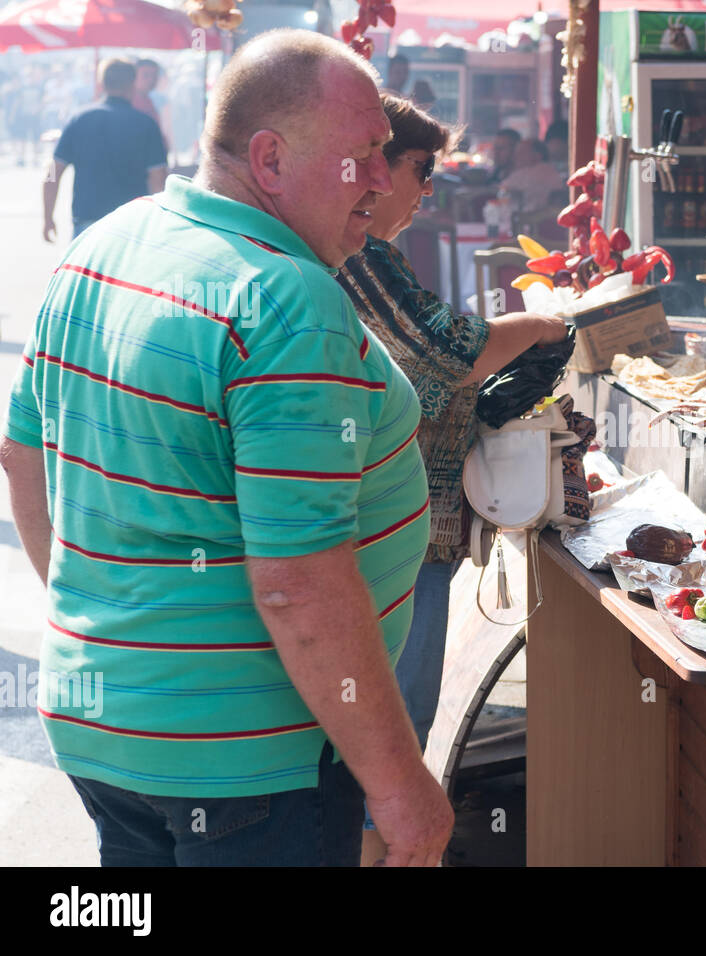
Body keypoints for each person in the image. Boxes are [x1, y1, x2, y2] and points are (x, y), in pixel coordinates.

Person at [3, 29, 452, 867]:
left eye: (387, 157)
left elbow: (21, 449)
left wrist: (105, 624)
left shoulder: (110, 240)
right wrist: (401, 789)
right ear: (270, 159)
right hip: (246, 762)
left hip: (108, 729)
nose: (383, 181)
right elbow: (299, 585)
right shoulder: (286, 299)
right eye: (363, 156)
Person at [335, 93, 566, 866]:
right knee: (391, 743)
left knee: (390, 738)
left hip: (405, 535)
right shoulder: (358, 252)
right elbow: (448, 354)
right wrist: (543, 324)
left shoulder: (373, 253)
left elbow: (441, 381)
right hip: (391, 544)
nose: (425, 190)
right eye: (419, 171)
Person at [43, 58, 167, 241]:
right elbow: (158, 179)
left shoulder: (78, 120)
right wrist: (161, 223)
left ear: (101, 84)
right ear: (132, 84)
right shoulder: (146, 124)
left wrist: (48, 217)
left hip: (86, 225)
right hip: (132, 225)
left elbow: (53, 173)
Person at [498, 138, 565, 214]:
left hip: (526, 221)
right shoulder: (551, 171)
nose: (515, 157)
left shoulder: (531, 173)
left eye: (521, 153)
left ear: (537, 156)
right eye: (516, 153)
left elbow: (500, 190)